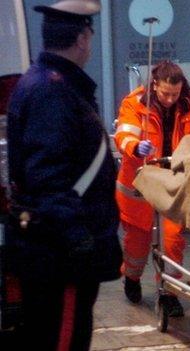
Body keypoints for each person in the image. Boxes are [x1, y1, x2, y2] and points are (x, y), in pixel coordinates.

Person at [6, 1, 122, 350]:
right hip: (61, 258)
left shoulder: (46, 84)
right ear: (82, 38)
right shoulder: (53, 92)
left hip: (53, 250)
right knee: (63, 340)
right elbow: (48, 178)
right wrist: (79, 240)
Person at [114, 60, 190, 316]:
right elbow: (124, 134)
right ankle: (132, 278)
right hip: (140, 184)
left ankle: (169, 293)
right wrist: (135, 146)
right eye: (165, 93)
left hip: (171, 183)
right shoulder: (135, 103)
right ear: (155, 84)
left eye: (175, 94)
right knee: (137, 244)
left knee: (172, 241)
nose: (169, 100)